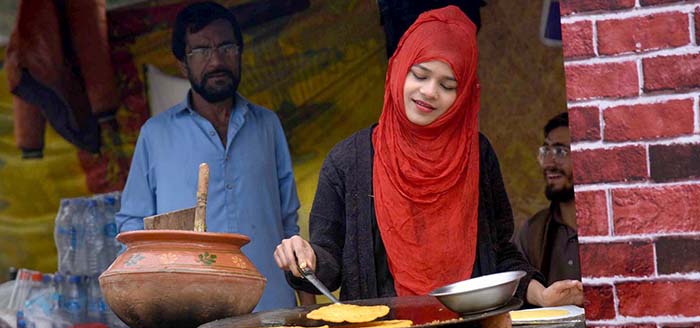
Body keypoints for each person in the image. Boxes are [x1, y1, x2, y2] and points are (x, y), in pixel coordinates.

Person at [274, 6, 583, 307]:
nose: (430, 91)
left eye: (448, 85)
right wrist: (307, 257)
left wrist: (541, 295)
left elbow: (500, 254)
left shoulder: (477, 155)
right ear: (398, 68)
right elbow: (330, 265)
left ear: (463, 96)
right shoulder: (346, 162)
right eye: (419, 75)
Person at [116, 1, 302, 311]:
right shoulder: (155, 135)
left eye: (226, 47)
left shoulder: (267, 125)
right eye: (201, 51)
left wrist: (305, 305)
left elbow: (289, 224)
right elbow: (132, 227)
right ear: (182, 64)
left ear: (240, 52)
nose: (216, 60)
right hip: (190, 315)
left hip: (271, 312)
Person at [514, 112, 580, 284]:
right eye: (545, 151)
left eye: (560, 151)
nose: (549, 163)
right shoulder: (532, 232)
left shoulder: (613, 226)